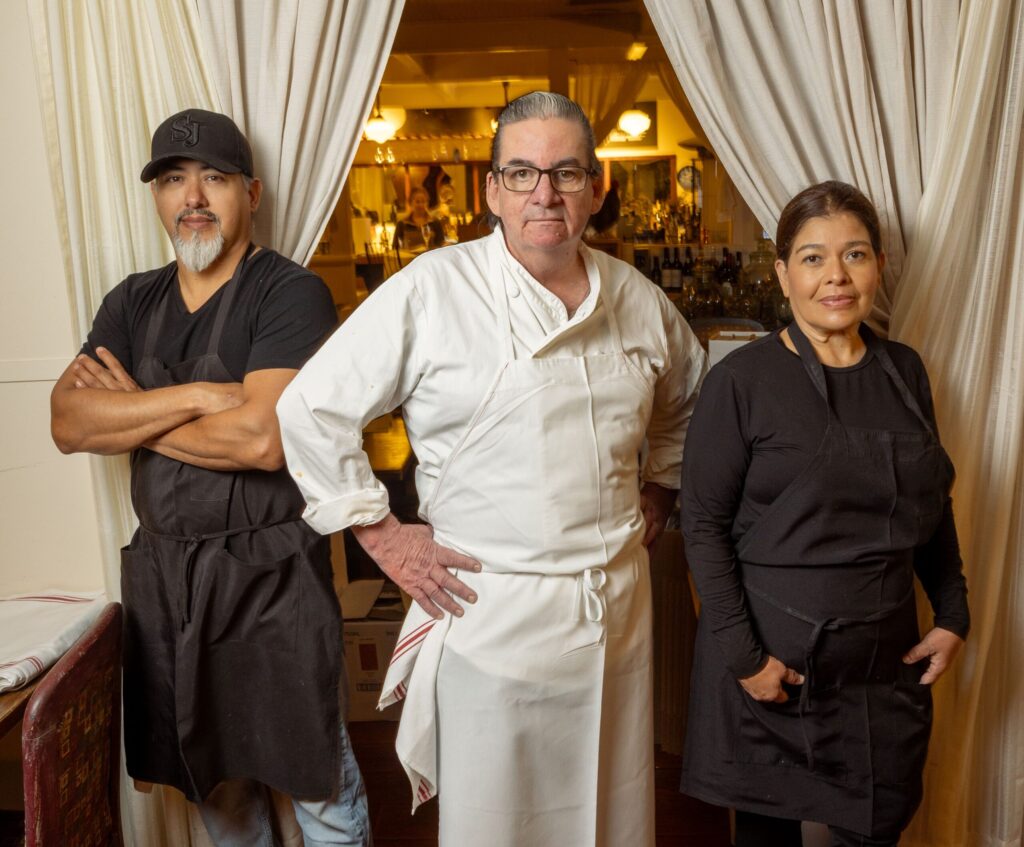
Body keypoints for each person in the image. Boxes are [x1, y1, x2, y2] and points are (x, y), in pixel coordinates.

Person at [276, 91, 707, 846]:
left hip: (613, 612)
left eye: (567, 173)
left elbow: (688, 397)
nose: (546, 193)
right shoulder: (431, 289)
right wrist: (384, 536)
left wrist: (661, 485)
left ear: (596, 190)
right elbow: (309, 407)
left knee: (615, 807)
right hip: (488, 606)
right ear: (492, 191)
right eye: (523, 173)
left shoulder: (637, 300)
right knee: (498, 824)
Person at [49, 108, 371, 847]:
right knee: (215, 792)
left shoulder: (289, 294)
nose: (192, 196)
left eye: (215, 177)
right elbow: (70, 423)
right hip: (167, 584)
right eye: (172, 179)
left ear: (251, 193)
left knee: (319, 791)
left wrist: (131, 408)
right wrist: (199, 396)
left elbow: (262, 438)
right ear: (157, 196)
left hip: (271, 582)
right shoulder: (131, 301)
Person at [679, 180, 969, 846]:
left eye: (855, 255)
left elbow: (930, 503)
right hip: (773, 679)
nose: (835, 276)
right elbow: (703, 528)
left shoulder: (906, 371)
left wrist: (953, 611)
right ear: (782, 273)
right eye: (812, 258)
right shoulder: (741, 382)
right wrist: (747, 660)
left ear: (880, 267)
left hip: (876, 680)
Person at [392, 186, 444, 251]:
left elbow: (441, 246)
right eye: (417, 201)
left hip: (430, 259)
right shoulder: (402, 224)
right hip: (409, 260)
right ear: (410, 203)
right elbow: (395, 248)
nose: (420, 205)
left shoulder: (435, 222)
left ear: (427, 203)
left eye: (423, 201)